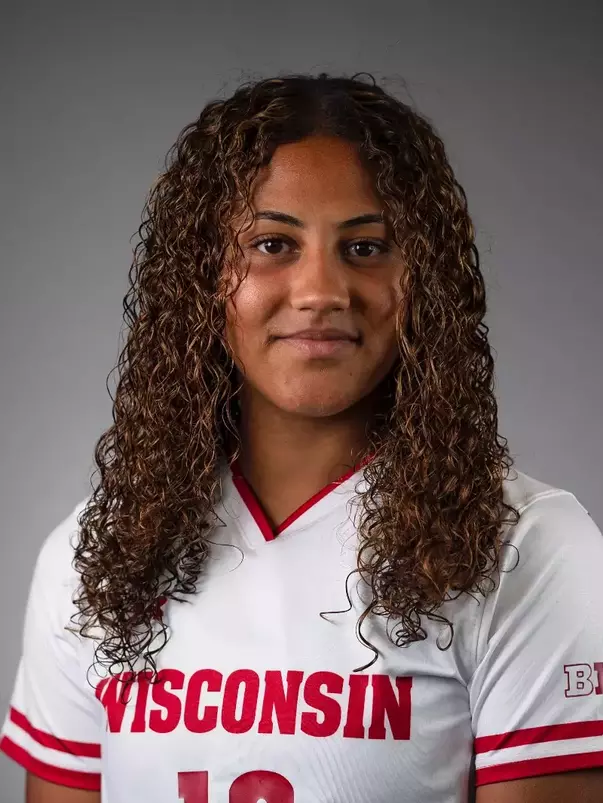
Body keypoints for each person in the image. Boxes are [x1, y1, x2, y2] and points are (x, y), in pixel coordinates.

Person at [1, 72, 602, 803]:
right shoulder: (97, 554)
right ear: (199, 276)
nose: (319, 289)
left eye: (365, 247)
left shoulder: (525, 549)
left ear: (425, 280)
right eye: (272, 242)